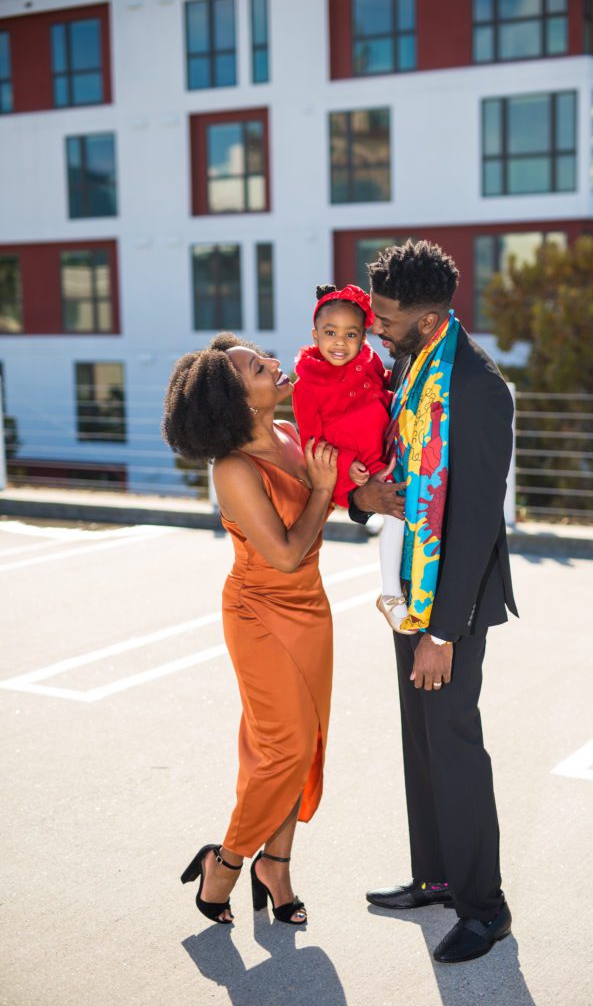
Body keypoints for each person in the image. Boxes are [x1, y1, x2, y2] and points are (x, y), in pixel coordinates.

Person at [348, 240, 518, 964]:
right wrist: (361, 499)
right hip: (407, 591)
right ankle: (437, 875)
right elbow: (388, 458)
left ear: (427, 315)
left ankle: (486, 910)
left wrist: (443, 633)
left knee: (452, 745)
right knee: (421, 742)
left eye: (386, 317)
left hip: (453, 602)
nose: (375, 327)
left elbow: (478, 522)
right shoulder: (412, 363)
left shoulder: (479, 388)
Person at [162, 332, 338, 927]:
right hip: (260, 612)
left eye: (265, 358)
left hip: (310, 607)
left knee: (302, 743)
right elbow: (286, 553)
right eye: (259, 368)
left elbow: (324, 508)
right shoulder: (234, 468)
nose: (275, 365)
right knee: (282, 750)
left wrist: (354, 490)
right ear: (238, 403)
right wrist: (321, 488)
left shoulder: (290, 436)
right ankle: (228, 860)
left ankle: (278, 865)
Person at [292, 283, 409, 631]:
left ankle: (408, 581)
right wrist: (345, 463)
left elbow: (384, 382)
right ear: (315, 334)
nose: (340, 343)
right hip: (354, 468)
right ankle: (390, 593)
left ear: (363, 337)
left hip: (384, 448)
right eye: (330, 333)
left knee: (415, 509)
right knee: (397, 516)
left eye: (351, 334)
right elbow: (311, 443)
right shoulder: (307, 385)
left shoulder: (368, 360)